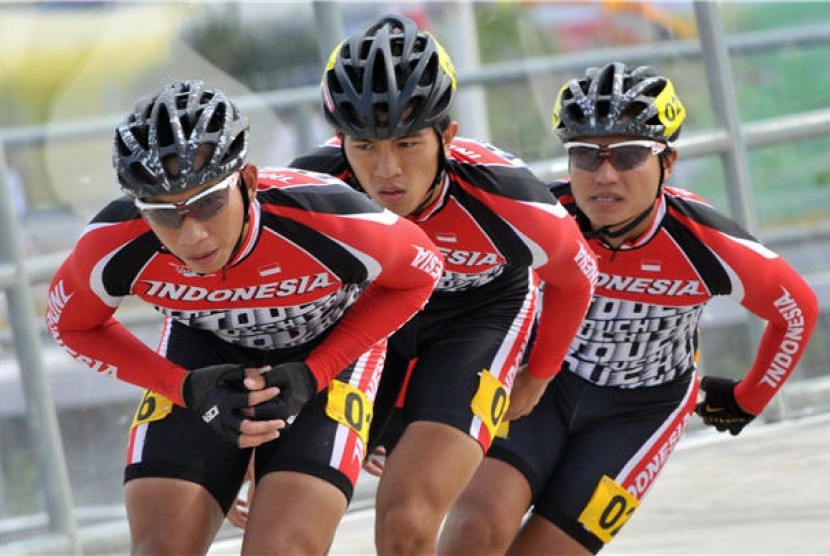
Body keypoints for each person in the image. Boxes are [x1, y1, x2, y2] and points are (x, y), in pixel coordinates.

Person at [45, 79, 443, 555]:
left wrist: (316, 373)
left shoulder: (327, 217)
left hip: (320, 351)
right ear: (137, 208)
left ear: (248, 182)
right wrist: (182, 386)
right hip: (202, 357)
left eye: (209, 202)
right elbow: (70, 325)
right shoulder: (113, 244)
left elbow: (422, 273)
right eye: (163, 214)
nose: (191, 235)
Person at [438, 61, 819, 555]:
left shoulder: (705, 244)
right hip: (541, 388)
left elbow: (797, 311)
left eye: (629, 154)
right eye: (585, 156)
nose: (605, 175)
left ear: (669, 161)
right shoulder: (541, 218)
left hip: (641, 413)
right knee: (472, 534)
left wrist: (749, 398)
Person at [290, 15, 597, 554]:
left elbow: (575, 281)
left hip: (477, 316)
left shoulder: (507, 196)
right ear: (339, 142)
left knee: (406, 522)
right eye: (364, 148)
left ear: (447, 136)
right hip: (371, 324)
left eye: (408, 145)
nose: (387, 172)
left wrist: (539, 374)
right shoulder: (310, 190)